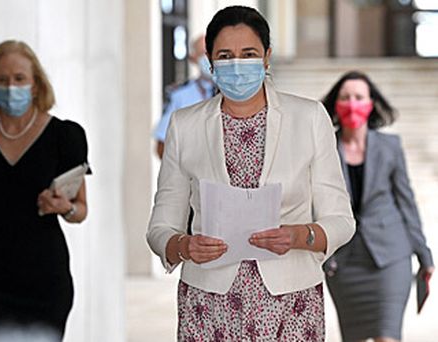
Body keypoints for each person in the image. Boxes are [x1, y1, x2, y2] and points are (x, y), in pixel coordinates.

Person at [147, 6, 355, 341]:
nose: (237, 65)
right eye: (225, 56)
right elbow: (160, 227)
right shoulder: (184, 125)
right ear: (210, 62)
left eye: (248, 54)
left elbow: (342, 221)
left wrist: (298, 236)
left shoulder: (309, 117)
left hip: (292, 300)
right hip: (208, 301)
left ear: (267, 57)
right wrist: (184, 246)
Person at [0, 40, 91, 342]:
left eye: (20, 78)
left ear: (35, 84)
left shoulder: (65, 136)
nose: (11, 87)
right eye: (2, 79)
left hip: (45, 282)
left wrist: (63, 207)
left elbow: (80, 210)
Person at [321, 70, 434, 342]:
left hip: (390, 257)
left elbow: (406, 203)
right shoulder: (323, 146)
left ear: (371, 103)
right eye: (345, 97)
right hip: (344, 263)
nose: (352, 103)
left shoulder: (389, 146)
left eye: (359, 97)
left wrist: (424, 255)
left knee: (387, 336)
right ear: (336, 104)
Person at [154, 35, 215, 158]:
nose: (210, 58)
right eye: (204, 53)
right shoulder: (181, 95)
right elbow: (162, 145)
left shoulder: (235, 90)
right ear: (193, 58)